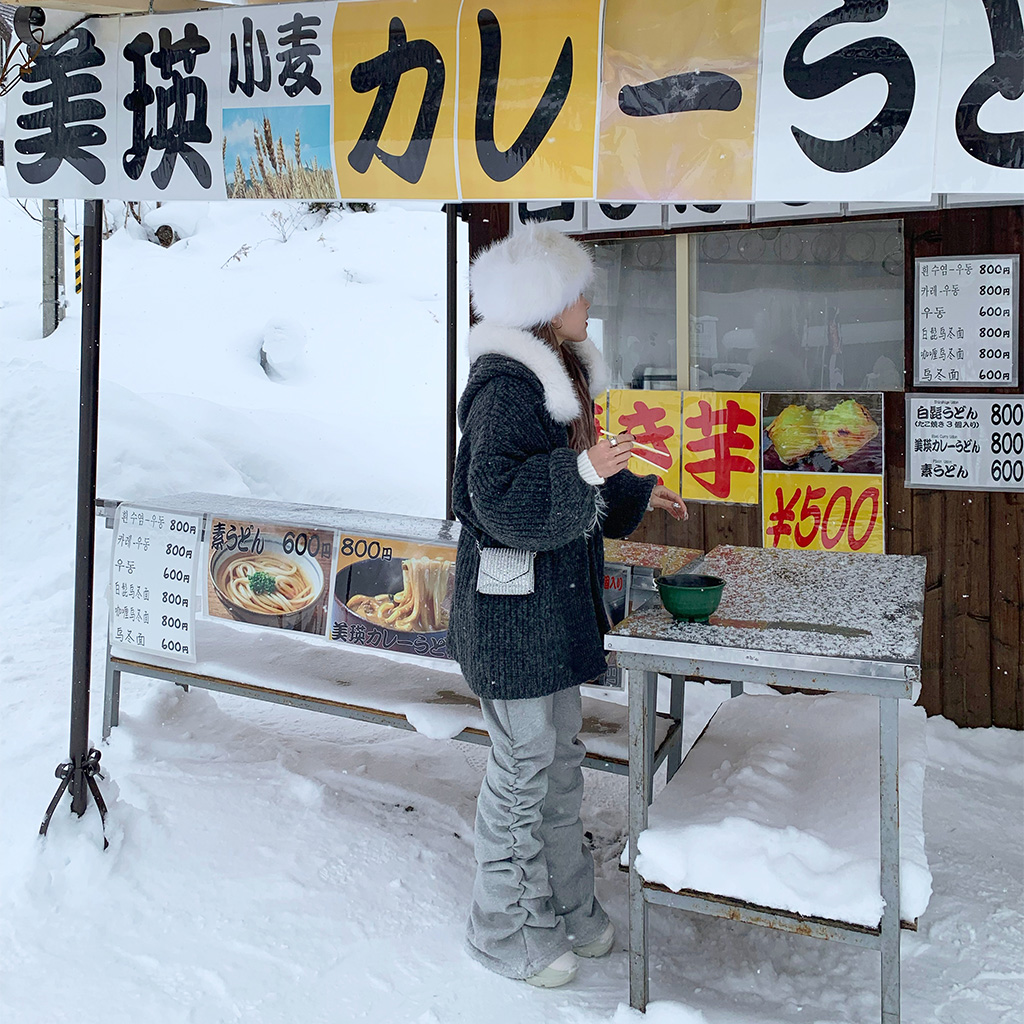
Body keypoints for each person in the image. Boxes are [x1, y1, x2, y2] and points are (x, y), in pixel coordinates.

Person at [447, 224, 687, 988]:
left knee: (557, 767)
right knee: (524, 768)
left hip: (547, 611)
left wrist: (634, 490)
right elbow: (493, 498)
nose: (589, 303)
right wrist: (584, 471)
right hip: (511, 620)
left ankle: (569, 910)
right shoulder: (505, 387)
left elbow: (568, 480)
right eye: (578, 292)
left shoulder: (557, 378)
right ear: (547, 305)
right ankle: (501, 929)